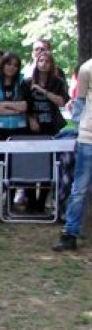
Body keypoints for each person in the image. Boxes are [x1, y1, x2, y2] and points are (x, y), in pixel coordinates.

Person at [53, 57, 92, 251]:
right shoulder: (87, 68)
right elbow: (79, 102)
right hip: (88, 139)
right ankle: (70, 233)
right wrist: (81, 126)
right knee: (80, 189)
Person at [23, 51, 69, 213]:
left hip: (51, 127)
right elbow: (24, 103)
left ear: (51, 64)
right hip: (31, 128)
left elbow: (61, 101)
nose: (44, 63)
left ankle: (41, 202)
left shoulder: (57, 82)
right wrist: (30, 118)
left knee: (48, 164)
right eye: (41, 60)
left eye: (47, 61)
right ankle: (30, 202)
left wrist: (42, 91)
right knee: (29, 164)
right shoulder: (28, 82)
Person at [0, 52, 28, 211]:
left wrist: (5, 105)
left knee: (14, 166)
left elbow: (25, 106)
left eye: (15, 65)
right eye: (9, 64)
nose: (12, 68)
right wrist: (14, 109)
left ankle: (10, 202)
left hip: (18, 130)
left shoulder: (23, 82)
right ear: (3, 65)